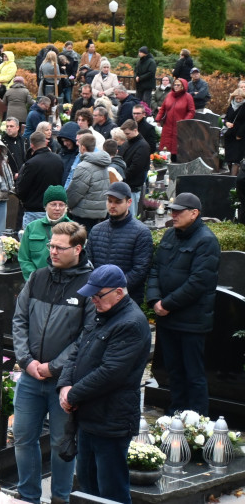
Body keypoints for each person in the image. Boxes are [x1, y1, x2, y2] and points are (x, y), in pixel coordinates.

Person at [12, 221, 93, 504]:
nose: (53, 252)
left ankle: (60, 498)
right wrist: (27, 360)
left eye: (59, 247)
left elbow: (87, 336)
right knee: (22, 438)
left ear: (78, 249)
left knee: (61, 443)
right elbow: (19, 319)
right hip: (31, 377)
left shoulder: (89, 285)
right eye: (51, 246)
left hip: (64, 381)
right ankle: (27, 497)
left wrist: (53, 367)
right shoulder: (38, 277)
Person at [59, 265, 151, 504]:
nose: (93, 300)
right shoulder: (103, 314)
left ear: (119, 293)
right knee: (88, 488)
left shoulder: (131, 323)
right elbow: (76, 352)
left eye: (98, 295)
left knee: (112, 492)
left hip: (111, 420)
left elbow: (111, 372)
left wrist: (73, 394)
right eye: (91, 295)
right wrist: (65, 386)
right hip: (89, 417)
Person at [146, 192, 220, 414]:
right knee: (173, 371)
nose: (173, 214)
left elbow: (198, 282)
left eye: (179, 211)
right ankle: (175, 414)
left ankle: (198, 421)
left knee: (193, 374)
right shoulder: (169, 235)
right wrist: (154, 300)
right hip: (167, 318)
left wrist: (166, 304)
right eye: (172, 210)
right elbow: (156, 269)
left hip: (191, 321)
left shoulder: (207, 241)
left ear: (194, 213)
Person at [86, 181, 153, 306]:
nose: (112, 205)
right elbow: (89, 264)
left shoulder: (141, 232)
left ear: (129, 202)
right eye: (109, 201)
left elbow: (140, 270)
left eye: (118, 202)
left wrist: (111, 290)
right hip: (97, 297)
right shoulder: (96, 230)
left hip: (126, 298)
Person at [17, 186, 69, 280]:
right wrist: (34, 279)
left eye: (61, 205)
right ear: (45, 206)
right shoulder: (32, 227)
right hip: (36, 281)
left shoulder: (73, 228)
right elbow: (24, 258)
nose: (57, 208)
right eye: (53, 204)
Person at [16, 132, 64, 228]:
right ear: (46, 142)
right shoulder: (58, 160)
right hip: (53, 209)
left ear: (32, 145)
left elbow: (21, 188)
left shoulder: (32, 163)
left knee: (31, 240)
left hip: (33, 210)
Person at [65, 133, 110, 231]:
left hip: (84, 213)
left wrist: (67, 204)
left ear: (83, 147)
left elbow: (75, 192)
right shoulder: (103, 164)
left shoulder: (84, 166)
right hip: (99, 212)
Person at [119, 120, 151, 216]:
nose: (126, 136)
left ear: (135, 130)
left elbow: (136, 168)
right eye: (125, 134)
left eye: (128, 133)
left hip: (132, 185)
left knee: (130, 215)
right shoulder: (128, 142)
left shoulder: (143, 146)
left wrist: (121, 177)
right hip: (125, 182)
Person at [157, 78, 195, 158]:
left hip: (180, 126)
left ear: (183, 86)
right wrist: (158, 119)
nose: (176, 86)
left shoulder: (188, 97)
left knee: (177, 146)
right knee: (166, 146)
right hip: (168, 125)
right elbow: (163, 108)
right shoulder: (169, 95)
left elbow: (191, 111)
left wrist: (184, 122)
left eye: (178, 85)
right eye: (175, 85)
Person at [224, 89, 245, 175]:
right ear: (233, 97)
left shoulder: (244, 106)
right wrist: (226, 123)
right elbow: (226, 118)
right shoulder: (231, 106)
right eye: (237, 98)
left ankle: (233, 181)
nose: (239, 100)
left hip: (240, 136)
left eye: (241, 98)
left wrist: (240, 134)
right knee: (229, 159)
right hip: (229, 135)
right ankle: (230, 178)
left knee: (236, 160)